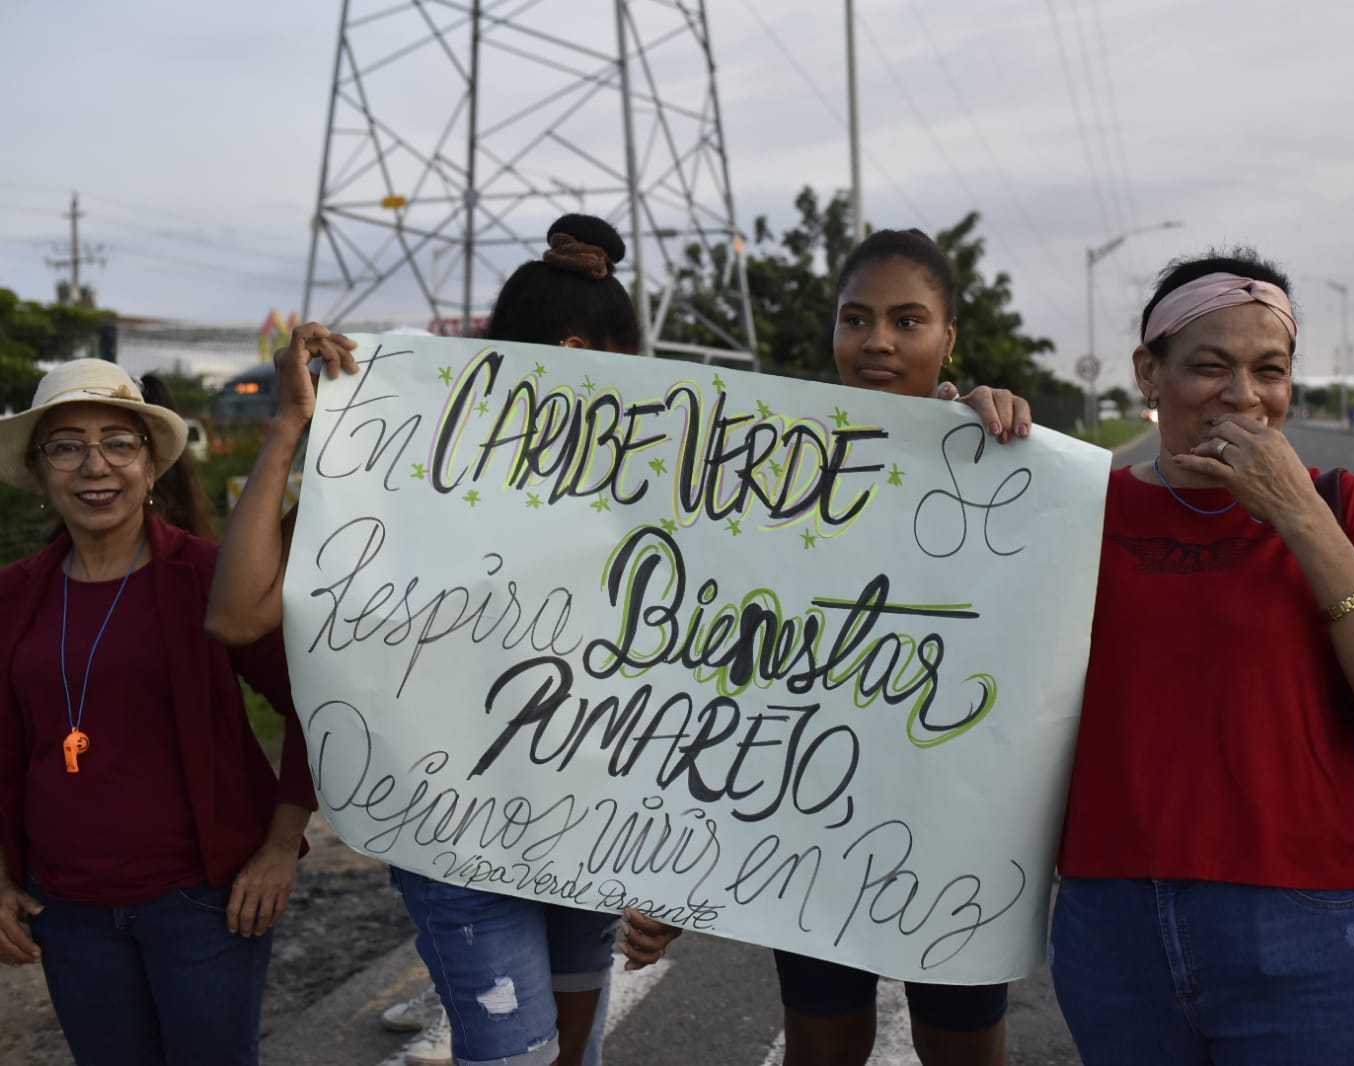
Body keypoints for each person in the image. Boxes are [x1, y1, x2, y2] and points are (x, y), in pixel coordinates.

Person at [206, 215, 674, 1066]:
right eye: (626, 358)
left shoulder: (635, 481)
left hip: (587, 825)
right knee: (519, 1056)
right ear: (576, 349)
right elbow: (239, 618)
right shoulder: (399, 462)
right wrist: (287, 428)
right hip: (457, 840)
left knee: (576, 1052)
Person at [1051, 250, 1354, 1065]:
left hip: (1311, 921)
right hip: (1114, 921)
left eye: (1268, 370)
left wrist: (1296, 516)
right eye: (1208, 367)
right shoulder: (1074, 508)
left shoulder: (1348, 509)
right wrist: (947, 436)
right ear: (1147, 374)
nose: (1243, 396)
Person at [0, 359, 316, 1066]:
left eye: (118, 441)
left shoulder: (209, 577)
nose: (94, 465)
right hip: (67, 911)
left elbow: (313, 706)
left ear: (150, 466)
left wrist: (278, 847)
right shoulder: (13, 597)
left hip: (202, 905)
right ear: (40, 471)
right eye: (66, 446)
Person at [769, 227, 1030, 1066]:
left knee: (961, 1048)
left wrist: (1003, 436)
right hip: (811, 819)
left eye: (907, 320)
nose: (877, 340)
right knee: (821, 1043)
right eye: (856, 318)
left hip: (955, 822)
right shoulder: (776, 461)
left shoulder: (1000, 461)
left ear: (949, 335)